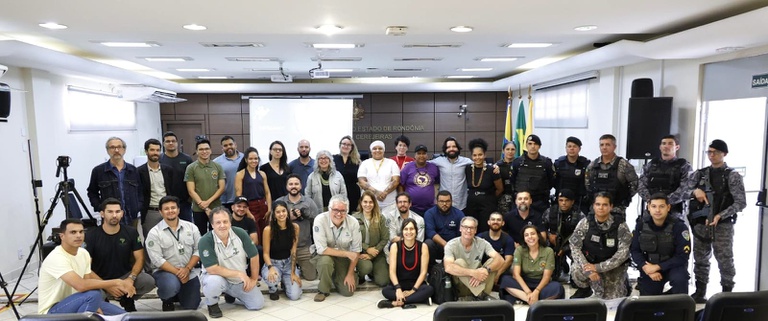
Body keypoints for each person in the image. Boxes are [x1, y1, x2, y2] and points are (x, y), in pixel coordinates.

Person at [688, 139, 746, 303]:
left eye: (715, 152)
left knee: (725, 259)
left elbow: (740, 202)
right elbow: (684, 190)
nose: (712, 155)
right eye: (709, 152)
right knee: (700, 259)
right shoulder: (700, 173)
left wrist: (721, 215)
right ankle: (700, 292)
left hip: (723, 225)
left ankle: (726, 294)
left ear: (724, 154)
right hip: (701, 224)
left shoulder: (732, 175)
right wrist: (695, 192)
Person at [38, 219, 129, 315]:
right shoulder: (56, 257)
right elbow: (81, 285)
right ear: (62, 236)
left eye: (81, 232)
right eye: (73, 232)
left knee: (124, 316)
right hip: (52, 312)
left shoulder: (83, 253)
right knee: (93, 295)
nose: (78, 235)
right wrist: (116, 282)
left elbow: (89, 283)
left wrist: (94, 305)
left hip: (78, 302)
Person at [85, 198, 155, 312]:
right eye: (110, 212)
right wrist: (107, 286)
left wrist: (130, 280)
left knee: (148, 281)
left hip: (124, 276)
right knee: (95, 297)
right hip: (100, 279)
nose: (114, 215)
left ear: (122, 213)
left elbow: (140, 258)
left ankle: (127, 299)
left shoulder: (131, 232)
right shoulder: (91, 235)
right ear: (102, 214)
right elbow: (86, 268)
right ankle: (105, 303)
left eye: (117, 212)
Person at [199, 207, 264, 318]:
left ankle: (231, 293)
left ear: (230, 222)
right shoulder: (205, 240)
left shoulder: (241, 234)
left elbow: (254, 255)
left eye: (225, 221)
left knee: (257, 304)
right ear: (212, 224)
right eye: (218, 222)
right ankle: (212, 304)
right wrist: (239, 274)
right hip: (218, 278)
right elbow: (212, 269)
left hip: (238, 281)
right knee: (213, 282)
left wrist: (253, 279)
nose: (222, 225)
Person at [569, 192, 632, 299]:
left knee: (612, 298)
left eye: (604, 205)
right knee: (576, 269)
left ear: (611, 206)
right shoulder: (585, 223)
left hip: (612, 267)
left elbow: (623, 254)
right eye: (598, 204)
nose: (601, 208)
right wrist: (588, 269)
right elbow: (574, 247)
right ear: (593, 206)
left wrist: (598, 268)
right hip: (591, 263)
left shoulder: (621, 226)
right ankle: (585, 289)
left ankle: (624, 283)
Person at [145, 195, 202, 311]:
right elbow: (157, 260)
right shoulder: (154, 233)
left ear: (178, 210)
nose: (170, 211)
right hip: (164, 272)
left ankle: (179, 295)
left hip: (188, 270)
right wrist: (179, 273)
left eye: (173, 208)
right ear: (161, 212)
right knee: (171, 286)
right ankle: (167, 299)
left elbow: (198, 249)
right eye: (166, 209)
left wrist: (187, 269)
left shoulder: (191, 227)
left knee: (192, 305)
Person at [630, 193, 690, 296]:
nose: (657, 210)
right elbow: (634, 250)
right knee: (649, 303)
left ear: (668, 207)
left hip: (673, 267)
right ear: (648, 207)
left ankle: (680, 307)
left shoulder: (679, 226)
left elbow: (682, 257)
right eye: (654, 206)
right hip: (650, 266)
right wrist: (645, 267)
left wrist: (658, 267)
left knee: (680, 279)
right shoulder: (641, 225)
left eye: (661, 206)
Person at [311, 195, 363, 301]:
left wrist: (350, 274)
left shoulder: (353, 222)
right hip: (324, 255)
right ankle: (323, 290)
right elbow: (322, 249)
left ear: (347, 211)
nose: (339, 214)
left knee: (348, 292)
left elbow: (356, 250)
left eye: (343, 211)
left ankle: (338, 275)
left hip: (342, 258)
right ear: (329, 209)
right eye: (335, 210)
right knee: (326, 262)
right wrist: (347, 254)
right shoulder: (320, 220)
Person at [499, 225, 564, 305]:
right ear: (524, 239)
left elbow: (546, 276)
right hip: (524, 283)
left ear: (538, 236)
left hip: (541, 284)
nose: (530, 237)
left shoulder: (548, 251)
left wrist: (536, 291)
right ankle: (531, 300)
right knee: (505, 280)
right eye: (526, 235)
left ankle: (527, 298)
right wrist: (528, 292)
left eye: (533, 234)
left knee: (557, 287)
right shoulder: (519, 250)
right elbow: (516, 275)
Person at [444, 216, 504, 301]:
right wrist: (473, 273)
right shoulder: (451, 245)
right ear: (460, 228)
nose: (468, 230)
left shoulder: (482, 242)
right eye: (465, 227)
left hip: (480, 281)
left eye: (472, 228)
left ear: (475, 230)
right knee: (459, 262)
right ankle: (481, 295)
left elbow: (500, 260)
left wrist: (486, 270)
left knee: (492, 262)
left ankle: (478, 295)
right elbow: (448, 267)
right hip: (461, 287)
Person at [378, 218, 434, 309]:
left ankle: (395, 303)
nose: (409, 232)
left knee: (429, 289)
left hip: (416, 284)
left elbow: (423, 272)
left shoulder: (423, 246)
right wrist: (398, 289)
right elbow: (391, 272)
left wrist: (413, 290)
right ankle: (419, 299)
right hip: (399, 283)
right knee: (386, 291)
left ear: (416, 231)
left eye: (412, 229)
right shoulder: (395, 246)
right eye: (406, 229)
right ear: (402, 231)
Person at [87, 136, 143, 226]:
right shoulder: (99, 171)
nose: (116, 150)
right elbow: (92, 192)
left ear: (124, 150)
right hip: (109, 218)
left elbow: (140, 191)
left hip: (131, 217)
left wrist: (138, 207)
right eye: (112, 147)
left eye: (119, 147)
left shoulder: (133, 170)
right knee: (109, 239)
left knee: (132, 239)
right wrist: (100, 208)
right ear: (107, 150)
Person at [276, 174, 320, 280]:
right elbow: (272, 224)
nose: (293, 186)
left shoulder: (309, 202)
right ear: (287, 187)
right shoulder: (279, 202)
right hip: (285, 248)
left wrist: (304, 215)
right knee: (282, 278)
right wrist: (288, 218)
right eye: (290, 184)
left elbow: (317, 222)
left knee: (311, 277)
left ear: (301, 186)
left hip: (304, 247)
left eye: (296, 184)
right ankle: (293, 269)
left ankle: (300, 267)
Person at [637, 135, 692, 221]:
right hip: (652, 209)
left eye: (670, 144)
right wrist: (652, 201)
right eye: (663, 143)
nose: (666, 146)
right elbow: (640, 185)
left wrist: (665, 203)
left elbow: (686, 188)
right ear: (660, 147)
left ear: (677, 147)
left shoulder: (684, 166)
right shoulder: (651, 164)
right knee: (645, 231)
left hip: (674, 210)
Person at [585, 134, 638, 221]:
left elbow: (635, 185)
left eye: (607, 144)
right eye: (602, 145)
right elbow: (587, 185)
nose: (604, 147)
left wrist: (622, 198)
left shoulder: (624, 165)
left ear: (614, 147)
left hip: (617, 209)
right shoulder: (592, 165)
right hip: (597, 210)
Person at [261, 201, 302, 300]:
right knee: (273, 279)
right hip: (273, 262)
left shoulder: (295, 228)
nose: (281, 214)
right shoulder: (268, 230)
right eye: (278, 212)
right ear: (274, 215)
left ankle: (285, 281)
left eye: (283, 211)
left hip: (288, 263)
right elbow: (265, 253)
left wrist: (293, 272)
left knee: (294, 296)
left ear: (287, 212)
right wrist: (270, 268)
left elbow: (293, 251)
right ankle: (273, 288)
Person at [542, 189, 586, 282]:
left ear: (572, 202)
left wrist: (565, 249)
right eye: (561, 200)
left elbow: (583, 237)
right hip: (553, 245)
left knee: (579, 259)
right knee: (552, 278)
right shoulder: (550, 212)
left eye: (567, 200)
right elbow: (541, 228)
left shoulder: (579, 216)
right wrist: (549, 235)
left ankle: (576, 276)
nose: (563, 203)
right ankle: (560, 264)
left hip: (571, 246)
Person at [185, 138, 226, 235]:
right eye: (201, 149)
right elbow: (191, 191)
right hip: (198, 209)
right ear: (197, 151)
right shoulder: (191, 168)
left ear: (211, 150)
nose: (204, 151)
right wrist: (205, 207)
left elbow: (221, 188)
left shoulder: (217, 166)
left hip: (216, 207)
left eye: (207, 149)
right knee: (200, 235)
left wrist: (208, 202)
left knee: (217, 234)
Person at [510, 135, 556, 214]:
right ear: (526, 146)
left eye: (535, 144)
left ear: (539, 146)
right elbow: (512, 180)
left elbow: (552, 181)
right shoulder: (517, 162)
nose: (532, 146)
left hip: (540, 202)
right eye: (530, 144)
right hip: (521, 202)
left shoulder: (546, 163)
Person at [138, 138, 175, 238]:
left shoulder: (168, 170)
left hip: (168, 210)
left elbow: (172, 190)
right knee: (151, 240)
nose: (155, 153)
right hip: (150, 212)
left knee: (170, 239)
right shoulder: (139, 172)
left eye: (158, 150)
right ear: (146, 151)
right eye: (152, 150)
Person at [353, 191, 391, 286]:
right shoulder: (354, 218)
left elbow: (385, 238)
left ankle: (373, 272)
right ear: (361, 203)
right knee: (366, 267)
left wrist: (373, 253)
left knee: (383, 282)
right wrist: (367, 248)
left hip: (377, 253)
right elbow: (352, 239)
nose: (368, 205)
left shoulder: (381, 218)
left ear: (374, 203)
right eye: (365, 202)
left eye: (370, 202)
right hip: (360, 253)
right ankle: (361, 274)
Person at [464, 138, 503, 232]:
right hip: (471, 205)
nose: (477, 157)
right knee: (471, 229)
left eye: (480, 154)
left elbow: (500, 189)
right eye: (475, 155)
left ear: (484, 155)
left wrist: (489, 198)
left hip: (487, 206)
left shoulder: (492, 170)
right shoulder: (467, 168)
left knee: (485, 230)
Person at [235, 147, 272, 239]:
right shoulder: (240, 174)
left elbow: (267, 193)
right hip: (250, 206)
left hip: (263, 205)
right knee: (255, 233)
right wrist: (246, 211)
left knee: (266, 232)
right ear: (246, 160)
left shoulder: (262, 174)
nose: (254, 161)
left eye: (255, 158)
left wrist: (269, 209)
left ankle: (265, 252)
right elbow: (239, 195)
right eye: (251, 159)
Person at [423, 191, 465, 269]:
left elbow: (461, 234)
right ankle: (431, 269)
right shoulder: (429, 213)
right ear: (436, 201)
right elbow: (430, 232)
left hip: (454, 246)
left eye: (447, 201)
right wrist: (445, 244)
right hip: (437, 245)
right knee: (428, 243)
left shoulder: (459, 214)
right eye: (441, 201)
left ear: (451, 201)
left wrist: (451, 246)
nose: (444, 204)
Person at [430, 136, 473, 210]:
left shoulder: (466, 161)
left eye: (454, 146)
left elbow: (480, 163)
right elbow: (423, 163)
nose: (451, 149)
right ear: (445, 149)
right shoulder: (439, 161)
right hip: (444, 204)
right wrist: (409, 164)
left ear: (458, 148)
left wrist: (495, 167)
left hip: (461, 204)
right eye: (448, 147)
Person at [160, 131, 194, 222]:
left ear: (177, 143)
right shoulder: (159, 159)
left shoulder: (187, 159)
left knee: (186, 228)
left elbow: (193, 179)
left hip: (184, 203)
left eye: (173, 141)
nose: (171, 143)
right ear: (163, 144)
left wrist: (190, 198)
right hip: (165, 202)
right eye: (167, 141)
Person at [398, 144, 440, 215]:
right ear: (415, 156)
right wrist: (403, 200)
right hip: (411, 207)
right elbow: (400, 184)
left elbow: (437, 183)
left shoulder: (433, 167)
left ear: (427, 156)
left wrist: (435, 197)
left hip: (430, 207)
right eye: (419, 153)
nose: (421, 156)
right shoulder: (408, 167)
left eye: (424, 153)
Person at [358, 140, 401, 209]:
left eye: (380, 148)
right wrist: (376, 192)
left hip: (389, 204)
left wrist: (385, 193)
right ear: (371, 151)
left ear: (383, 150)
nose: (377, 150)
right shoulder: (365, 163)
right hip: (370, 205)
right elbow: (362, 182)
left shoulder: (392, 163)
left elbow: (396, 181)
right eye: (374, 148)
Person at [553, 136, 591, 215]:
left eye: (574, 146)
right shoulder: (558, 163)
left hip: (580, 201)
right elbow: (552, 181)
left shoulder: (586, 164)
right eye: (569, 146)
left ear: (579, 149)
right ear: (566, 148)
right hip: (562, 201)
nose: (572, 149)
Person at [477, 212, 515, 285]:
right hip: (482, 268)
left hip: (500, 270)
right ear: (488, 222)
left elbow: (508, 260)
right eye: (493, 219)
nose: (495, 222)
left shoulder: (508, 239)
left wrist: (498, 275)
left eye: (498, 220)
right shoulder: (480, 237)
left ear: (503, 223)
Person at [213, 136, 244, 208]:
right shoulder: (216, 162)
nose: (228, 147)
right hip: (225, 201)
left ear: (235, 145)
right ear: (222, 148)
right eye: (225, 145)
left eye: (231, 144)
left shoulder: (245, 158)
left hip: (243, 200)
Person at [334, 135, 363, 211]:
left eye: (348, 145)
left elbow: (360, 181)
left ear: (352, 147)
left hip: (353, 193)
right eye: (344, 144)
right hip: (337, 192)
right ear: (340, 145)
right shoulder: (333, 159)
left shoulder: (357, 161)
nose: (346, 146)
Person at [496, 142, 517, 214]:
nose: (510, 152)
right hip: (502, 198)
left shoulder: (519, 164)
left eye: (512, 149)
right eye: (507, 149)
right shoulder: (497, 166)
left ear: (515, 151)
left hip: (517, 197)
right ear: (503, 151)